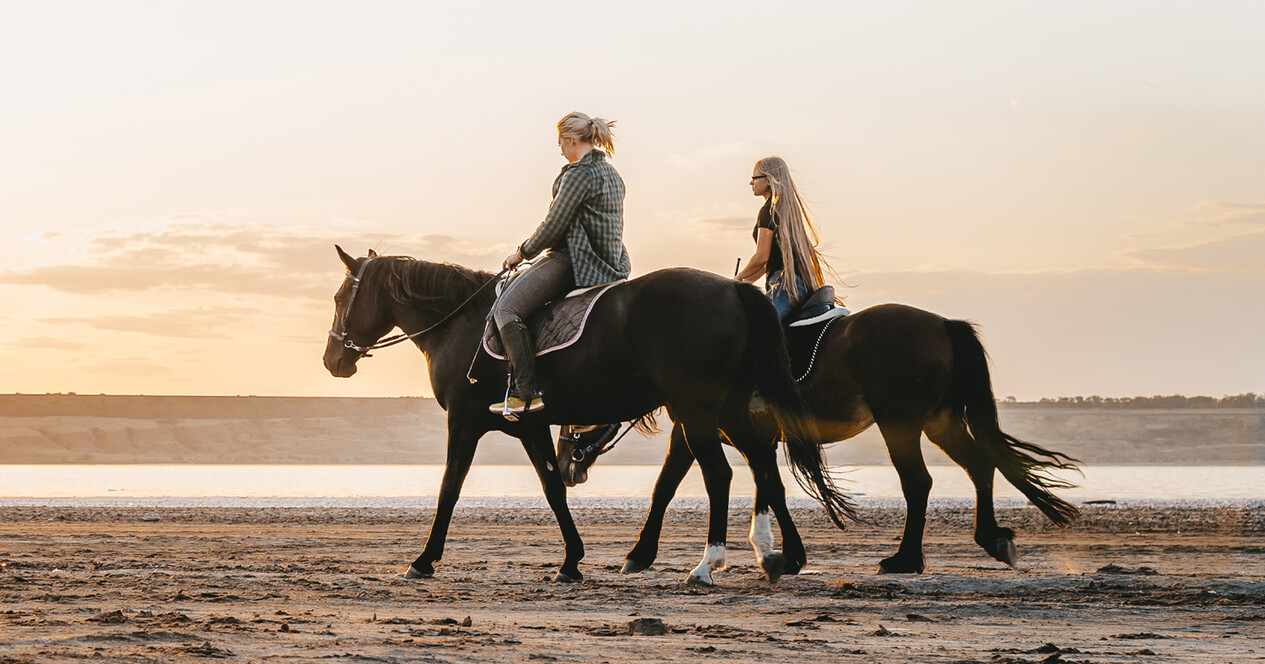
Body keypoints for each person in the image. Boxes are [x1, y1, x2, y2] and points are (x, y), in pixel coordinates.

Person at [489, 112, 631, 417]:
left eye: (560, 144)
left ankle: (525, 392)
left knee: (506, 309)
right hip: (613, 263)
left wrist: (522, 252)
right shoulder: (612, 174)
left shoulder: (578, 174)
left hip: (575, 260)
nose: (561, 151)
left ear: (570, 140)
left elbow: (554, 225)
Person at [735, 156, 832, 320]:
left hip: (784, 286)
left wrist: (737, 278)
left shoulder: (768, 211)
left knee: (760, 331)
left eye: (754, 177)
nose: (751, 183)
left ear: (768, 180)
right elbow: (768, 262)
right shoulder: (786, 212)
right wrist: (745, 283)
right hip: (796, 284)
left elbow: (761, 257)